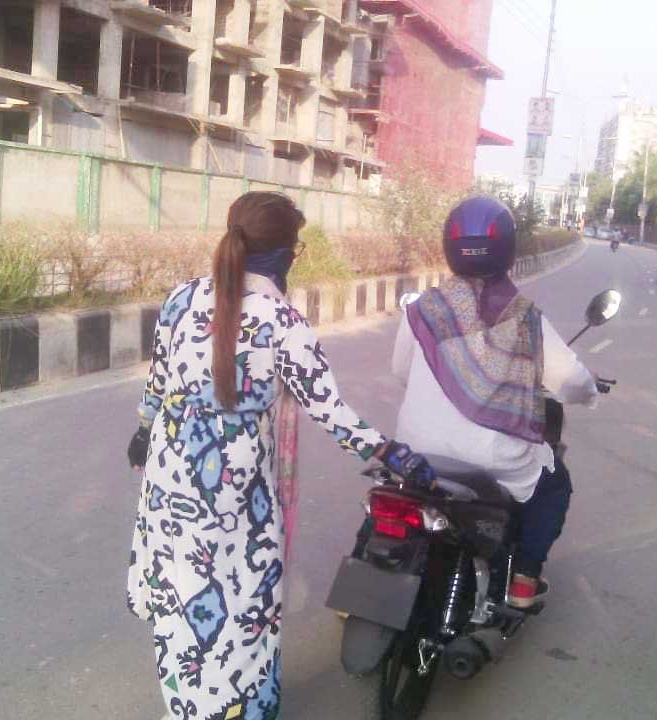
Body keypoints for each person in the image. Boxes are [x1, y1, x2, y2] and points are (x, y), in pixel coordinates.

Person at [124, 192, 434, 720]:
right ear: (285, 254)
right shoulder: (283, 321)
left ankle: (187, 709)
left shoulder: (180, 299)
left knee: (180, 602)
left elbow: (157, 382)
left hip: (169, 480)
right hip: (238, 498)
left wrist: (145, 428)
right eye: (297, 247)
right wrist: (392, 452)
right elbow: (329, 410)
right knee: (243, 610)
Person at [391, 196, 599, 609]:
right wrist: (588, 394)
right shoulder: (525, 319)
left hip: (416, 449)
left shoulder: (422, 310)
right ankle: (523, 580)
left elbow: (400, 371)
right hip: (492, 460)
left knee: (394, 491)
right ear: (507, 249)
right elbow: (572, 381)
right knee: (554, 487)